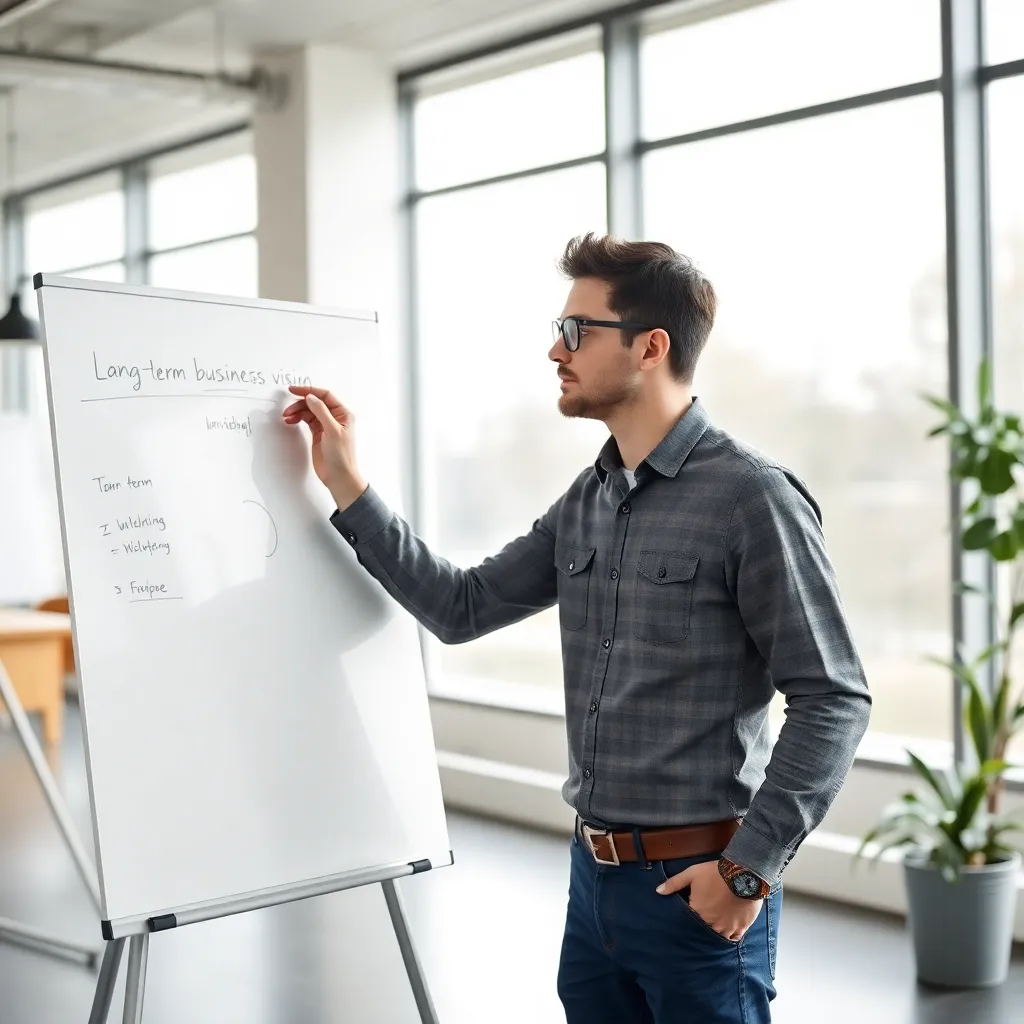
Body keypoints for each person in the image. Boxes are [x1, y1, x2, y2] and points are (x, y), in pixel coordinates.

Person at [281, 233, 872, 1024]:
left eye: (576, 331)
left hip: (698, 885)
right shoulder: (589, 497)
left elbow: (834, 698)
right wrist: (347, 485)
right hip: (592, 885)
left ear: (650, 347)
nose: (554, 350)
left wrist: (747, 872)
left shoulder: (751, 498)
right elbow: (461, 608)